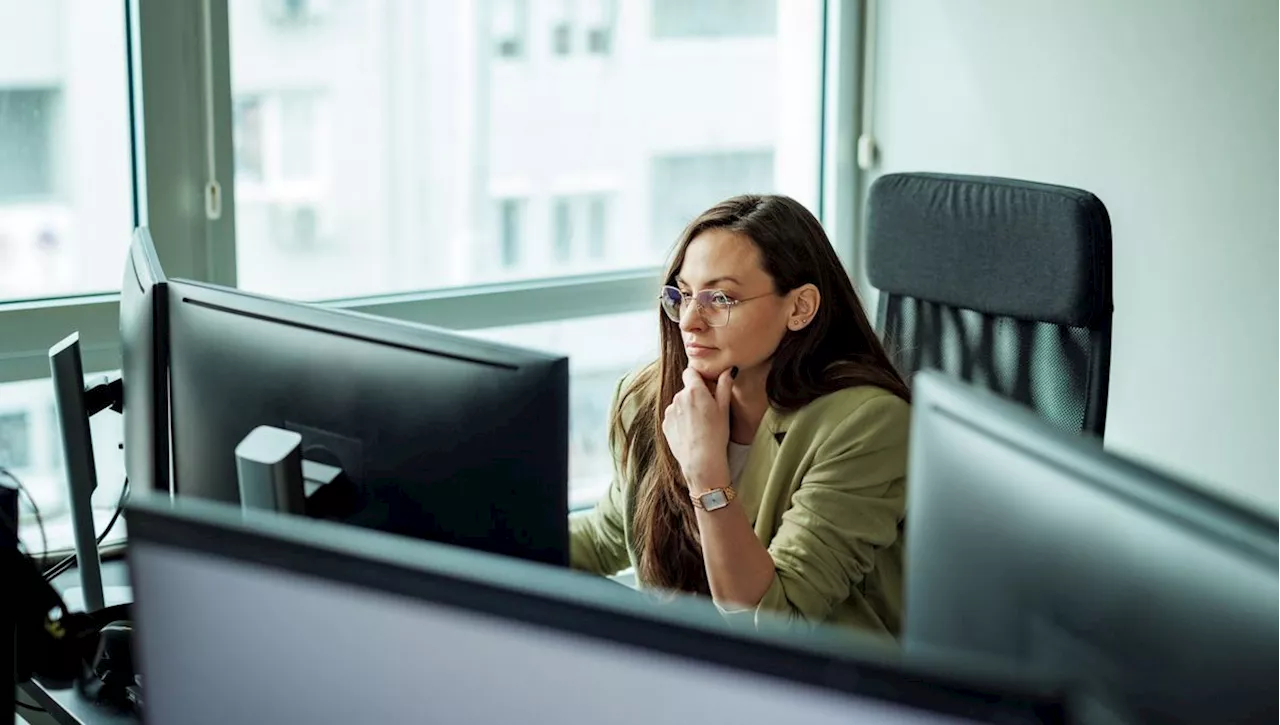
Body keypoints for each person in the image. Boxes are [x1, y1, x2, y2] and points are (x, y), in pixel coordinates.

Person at [570, 194, 912, 637]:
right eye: (685, 295)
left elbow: (774, 620)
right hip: (687, 671)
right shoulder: (651, 399)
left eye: (721, 298)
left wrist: (706, 473)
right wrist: (476, 531)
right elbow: (605, 538)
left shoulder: (866, 424)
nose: (690, 321)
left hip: (819, 687)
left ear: (799, 307)